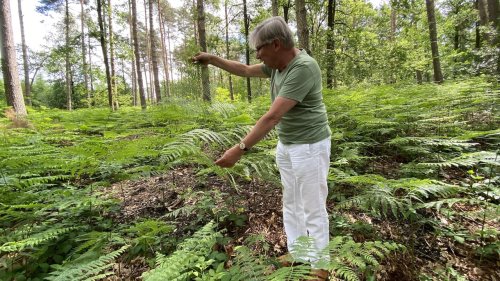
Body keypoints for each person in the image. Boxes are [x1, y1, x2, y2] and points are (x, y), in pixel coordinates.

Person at [192, 16, 331, 280]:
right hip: (288, 145)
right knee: (291, 202)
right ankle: (298, 252)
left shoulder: (303, 68)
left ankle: (320, 265)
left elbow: (272, 117)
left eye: (259, 49)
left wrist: (239, 149)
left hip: (310, 146)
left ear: (276, 44)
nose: (257, 55)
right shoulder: (276, 67)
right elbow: (244, 70)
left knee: (312, 205)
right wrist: (212, 59)